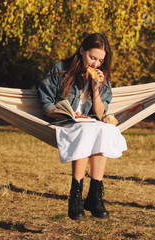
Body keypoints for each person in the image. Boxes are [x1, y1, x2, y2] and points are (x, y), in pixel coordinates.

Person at [37, 33, 127, 220]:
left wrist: (96, 88)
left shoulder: (102, 78)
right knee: (87, 129)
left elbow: (100, 112)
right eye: (92, 57)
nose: (95, 64)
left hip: (88, 124)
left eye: (100, 60)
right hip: (65, 122)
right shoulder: (60, 70)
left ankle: (95, 194)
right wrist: (68, 114)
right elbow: (47, 106)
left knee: (106, 129)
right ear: (81, 50)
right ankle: (75, 196)